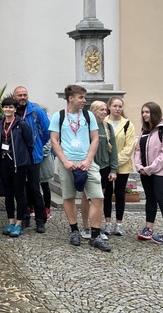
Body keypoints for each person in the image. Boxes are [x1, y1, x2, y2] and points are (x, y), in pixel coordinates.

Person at [49, 85, 111, 251]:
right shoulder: (59, 116)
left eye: (84, 97)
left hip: (87, 163)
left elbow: (95, 139)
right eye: (81, 97)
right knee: (69, 197)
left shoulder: (88, 115)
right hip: (67, 162)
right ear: (71, 98)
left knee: (97, 197)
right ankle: (74, 230)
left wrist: (88, 160)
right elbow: (54, 141)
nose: (84, 100)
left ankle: (95, 235)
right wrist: (64, 161)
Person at [134, 102, 163, 245]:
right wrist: (139, 166)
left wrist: (150, 168)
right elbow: (138, 149)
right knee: (150, 199)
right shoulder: (145, 130)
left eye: (147, 112)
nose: (145, 115)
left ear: (155, 113)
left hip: (161, 172)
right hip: (146, 171)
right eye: (143, 112)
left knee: (162, 199)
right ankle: (148, 228)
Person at [0, 98, 41, 237]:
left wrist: (23, 157)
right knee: (8, 193)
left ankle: (19, 223)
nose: (8, 110)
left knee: (19, 193)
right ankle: (10, 221)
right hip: (4, 162)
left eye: (11, 107)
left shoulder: (21, 124)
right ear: (3, 109)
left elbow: (30, 143)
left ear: (15, 109)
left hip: (19, 164)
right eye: (5, 107)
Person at [80, 101, 118, 241]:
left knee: (99, 199)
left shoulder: (107, 127)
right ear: (94, 111)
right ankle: (85, 227)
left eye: (105, 110)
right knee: (85, 197)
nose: (104, 112)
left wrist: (113, 169)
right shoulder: (86, 126)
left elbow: (113, 149)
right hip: (88, 166)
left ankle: (97, 226)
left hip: (104, 167)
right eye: (101, 110)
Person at [12, 86, 52, 222]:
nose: (22, 98)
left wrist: (38, 144)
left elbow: (48, 131)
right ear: (14, 97)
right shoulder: (11, 112)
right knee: (21, 190)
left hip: (34, 156)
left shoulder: (36, 111)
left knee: (35, 188)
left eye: (25, 95)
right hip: (18, 158)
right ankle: (24, 218)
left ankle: (41, 220)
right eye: (19, 95)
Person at [103, 96, 136, 235]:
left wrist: (115, 163)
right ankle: (108, 223)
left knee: (120, 193)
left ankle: (119, 223)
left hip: (122, 166)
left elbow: (129, 147)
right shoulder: (102, 122)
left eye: (120, 106)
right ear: (109, 106)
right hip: (105, 164)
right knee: (107, 193)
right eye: (115, 106)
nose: (117, 109)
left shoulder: (127, 124)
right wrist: (110, 164)